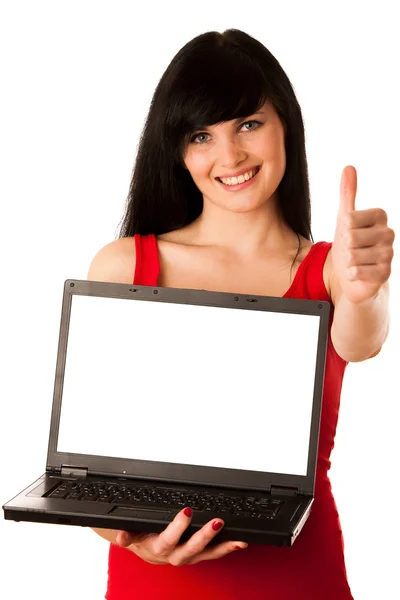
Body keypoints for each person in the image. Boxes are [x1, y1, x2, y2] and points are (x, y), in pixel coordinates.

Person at [86, 29, 394, 600]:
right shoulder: (126, 266)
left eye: (249, 124)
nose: (230, 156)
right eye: (203, 135)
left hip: (298, 577)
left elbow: (362, 339)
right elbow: (88, 463)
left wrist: (366, 287)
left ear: (286, 126)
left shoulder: (329, 269)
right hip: (153, 585)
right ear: (177, 151)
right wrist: (133, 540)